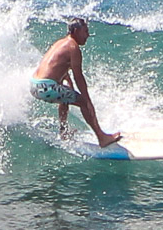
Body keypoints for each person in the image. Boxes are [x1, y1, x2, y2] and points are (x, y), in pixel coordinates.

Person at [30, 17, 122, 147]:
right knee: (83, 102)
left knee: (65, 96)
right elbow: (79, 77)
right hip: (46, 87)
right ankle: (102, 137)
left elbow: (55, 66)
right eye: (85, 31)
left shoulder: (61, 43)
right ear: (76, 31)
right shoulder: (73, 47)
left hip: (35, 85)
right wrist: (87, 99)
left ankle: (63, 132)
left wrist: (66, 80)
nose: (88, 35)